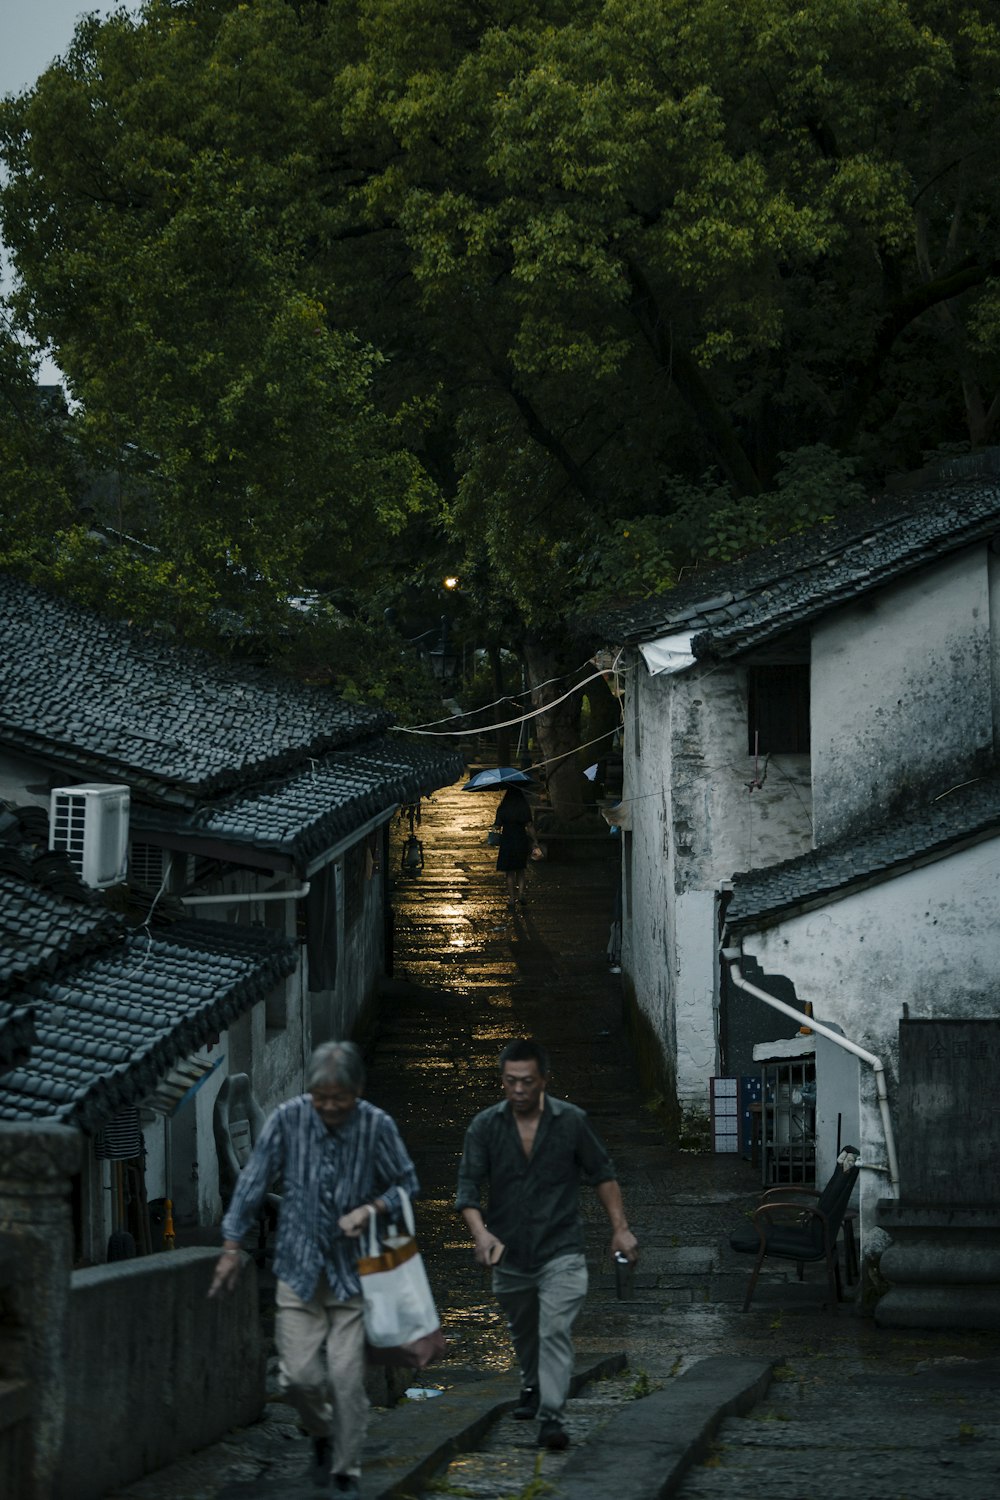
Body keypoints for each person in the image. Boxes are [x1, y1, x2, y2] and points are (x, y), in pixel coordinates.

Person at [208, 1041, 419, 1499]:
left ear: (356, 1091)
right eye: (320, 1098)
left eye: (337, 1099)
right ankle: (321, 1432)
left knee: (345, 1377)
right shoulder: (288, 1121)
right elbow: (254, 1181)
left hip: (353, 1271)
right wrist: (230, 1245)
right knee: (300, 1377)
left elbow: (406, 1183)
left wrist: (371, 1211)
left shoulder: (376, 1126)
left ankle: (345, 1466)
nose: (328, 1108)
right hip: (299, 1269)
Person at [455, 1038, 638, 1452]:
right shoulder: (485, 1126)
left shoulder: (570, 1121)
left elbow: (603, 1175)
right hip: (510, 1252)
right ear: (502, 1081)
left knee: (554, 1328)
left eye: (527, 1082)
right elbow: (467, 1190)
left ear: (544, 1081)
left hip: (562, 1248)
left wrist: (620, 1227)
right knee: (523, 1330)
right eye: (511, 1082)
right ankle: (532, 1384)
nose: (518, 1090)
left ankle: (552, 1417)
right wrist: (481, 1235)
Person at [492, 784, 538, 908]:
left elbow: (497, 826)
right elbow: (529, 825)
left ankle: (512, 899)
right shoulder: (524, 806)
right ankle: (521, 895)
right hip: (520, 839)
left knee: (510, 872)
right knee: (521, 870)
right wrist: (535, 841)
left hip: (507, 840)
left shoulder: (503, 807)